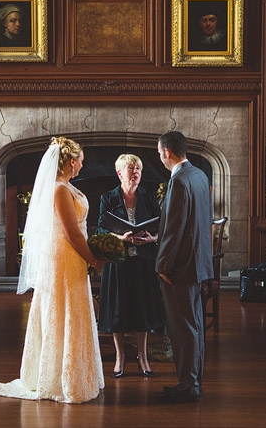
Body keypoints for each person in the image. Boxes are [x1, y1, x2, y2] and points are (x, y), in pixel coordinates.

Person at [0, 136, 106, 403]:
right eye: (80, 161)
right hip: (64, 255)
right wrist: (93, 259)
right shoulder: (59, 190)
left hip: (72, 255)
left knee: (72, 310)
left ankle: (74, 374)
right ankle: (59, 378)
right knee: (63, 311)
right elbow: (72, 234)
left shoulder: (67, 187)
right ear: (70, 162)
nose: (81, 166)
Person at [137, 130, 213, 403]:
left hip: (179, 268)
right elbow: (198, 222)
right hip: (198, 265)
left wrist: (163, 265)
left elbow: (175, 229)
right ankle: (192, 382)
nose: (160, 158)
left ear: (167, 152)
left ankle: (188, 385)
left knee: (182, 329)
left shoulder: (179, 180)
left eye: (159, 154)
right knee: (193, 327)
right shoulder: (200, 176)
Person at [96, 153, 164, 379]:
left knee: (142, 310)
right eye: (131, 168)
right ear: (119, 173)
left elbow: (162, 226)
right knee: (118, 310)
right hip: (118, 261)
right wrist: (121, 239)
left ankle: (143, 357)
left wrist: (152, 239)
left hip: (143, 260)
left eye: (138, 169)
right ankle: (120, 357)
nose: (135, 172)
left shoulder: (148, 196)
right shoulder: (108, 197)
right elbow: (101, 230)